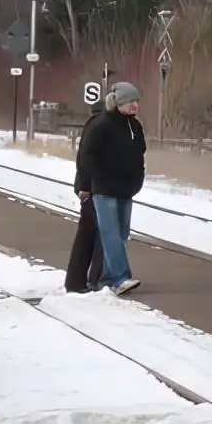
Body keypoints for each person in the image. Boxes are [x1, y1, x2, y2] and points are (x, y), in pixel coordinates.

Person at [73, 80, 148, 295]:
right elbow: (87, 155)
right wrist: (93, 180)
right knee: (110, 233)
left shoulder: (135, 126)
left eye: (136, 101)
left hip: (127, 188)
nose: (134, 105)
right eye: (129, 101)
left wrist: (138, 179)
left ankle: (106, 280)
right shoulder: (101, 124)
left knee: (122, 233)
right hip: (105, 189)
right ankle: (120, 277)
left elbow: (140, 154)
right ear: (118, 103)